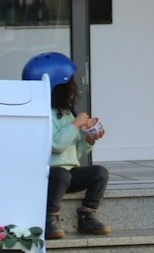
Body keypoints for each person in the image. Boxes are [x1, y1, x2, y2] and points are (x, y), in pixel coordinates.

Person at [25, 52, 111, 237]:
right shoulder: (42, 114)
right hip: (48, 176)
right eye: (71, 84)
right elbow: (56, 145)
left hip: (67, 175)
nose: (75, 89)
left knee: (99, 173)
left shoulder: (66, 113)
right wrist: (76, 124)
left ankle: (87, 215)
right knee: (62, 175)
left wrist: (89, 139)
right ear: (57, 87)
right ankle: (48, 219)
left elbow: (73, 153)